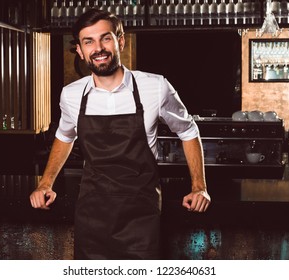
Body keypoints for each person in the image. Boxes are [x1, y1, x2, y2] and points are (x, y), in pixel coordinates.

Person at [29, 9, 211, 260]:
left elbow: (188, 130)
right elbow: (65, 135)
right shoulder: (71, 95)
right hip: (91, 216)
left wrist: (199, 187)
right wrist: (45, 183)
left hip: (141, 217)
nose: (98, 48)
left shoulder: (155, 86)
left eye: (105, 38)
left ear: (120, 41)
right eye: (88, 41)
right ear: (80, 51)